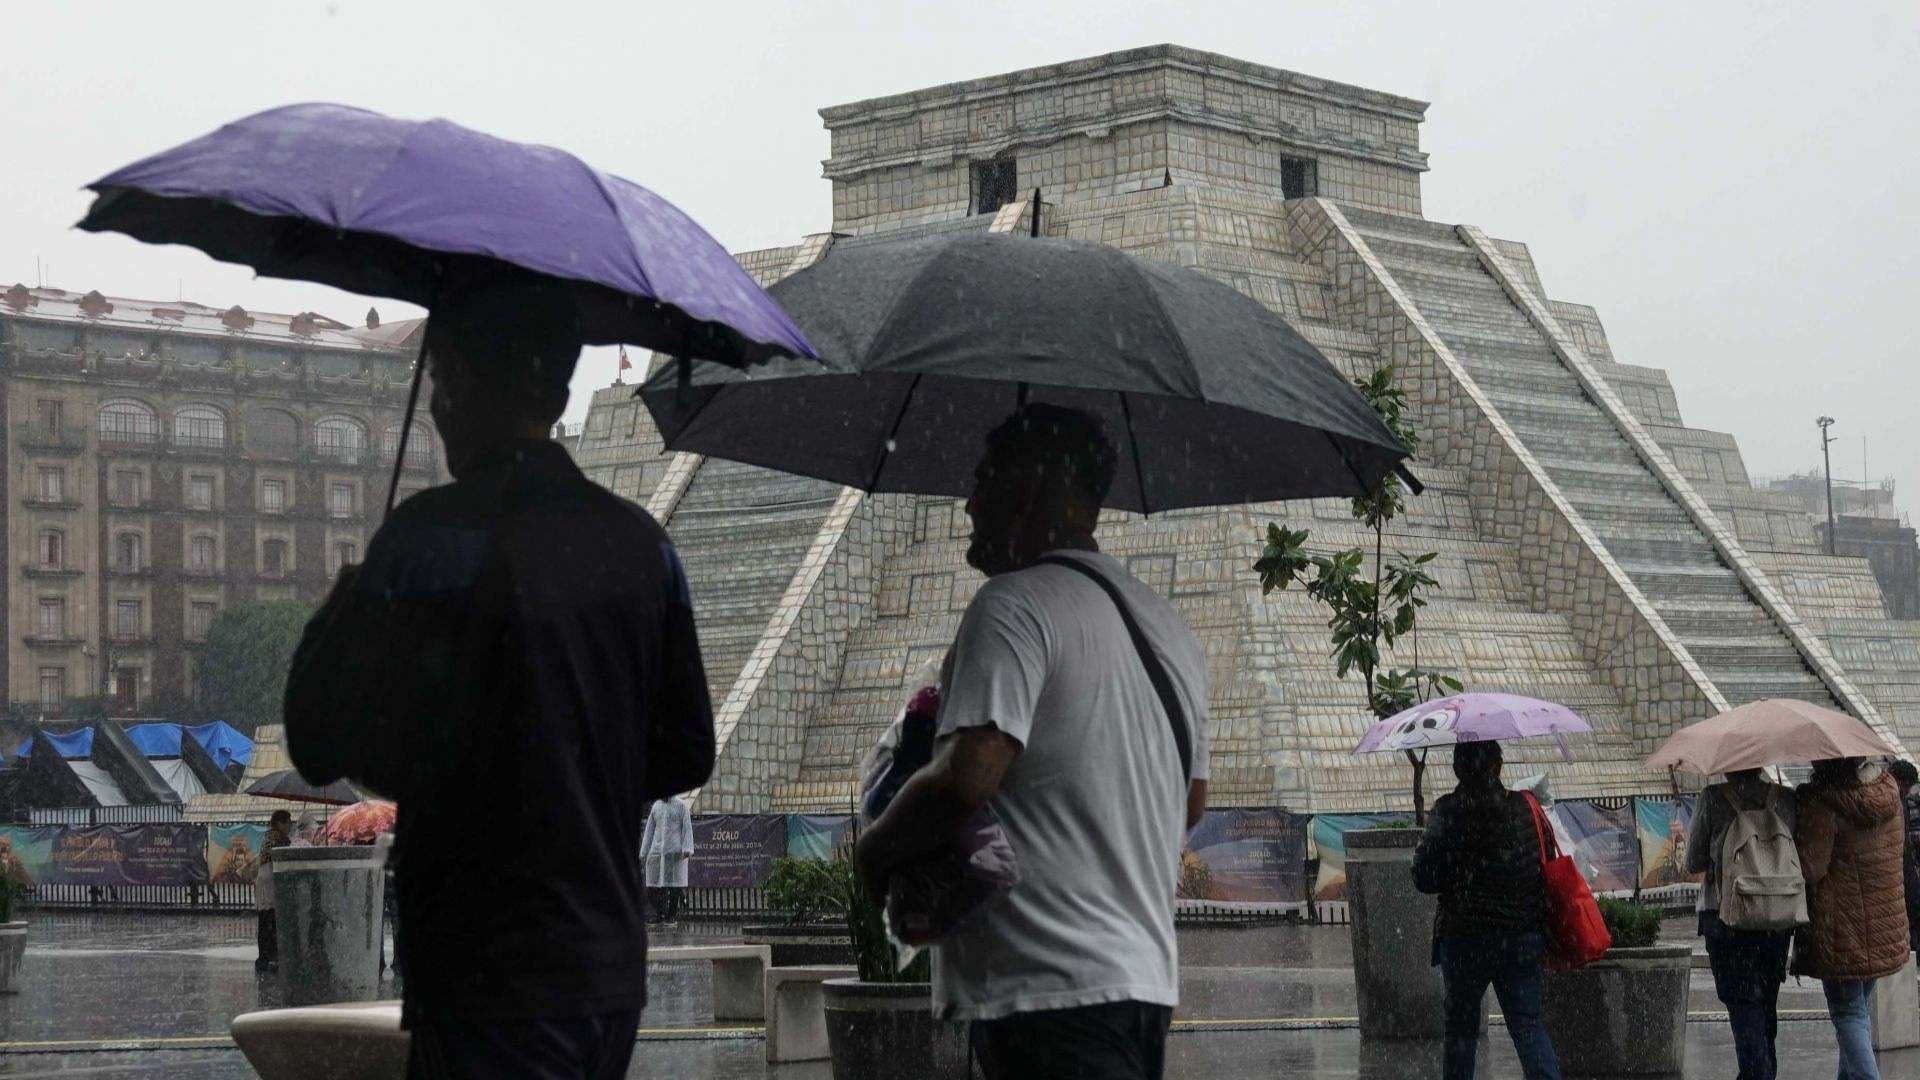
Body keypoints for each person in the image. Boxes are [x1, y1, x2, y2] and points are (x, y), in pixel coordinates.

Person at [284, 275, 715, 1080]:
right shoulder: (643, 547)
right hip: (603, 963)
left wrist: (344, 606)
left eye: (443, 377)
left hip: (481, 962)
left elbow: (315, 736)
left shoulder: (428, 540)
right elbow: (687, 752)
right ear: (553, 387)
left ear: (461, 385)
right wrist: (580, 781)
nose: (439, 402)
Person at [854, 404, 1209, 1080]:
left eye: (985, 479)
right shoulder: (1170, 631)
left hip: (1047, 995)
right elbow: (1191, 803)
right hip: (1143, 989)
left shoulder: (1012, 605)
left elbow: (970, 774)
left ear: (1033, 488)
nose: (968, 503)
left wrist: (878, 850)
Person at [1412, 740, 1561, 1080]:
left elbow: (1423, 877)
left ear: (1457, 770)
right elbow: (1547, 861)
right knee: (1527, 1025)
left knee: (1461, 1033)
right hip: (1522, 936)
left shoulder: (1449, 810)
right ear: (1498, 766)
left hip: (1465, 939)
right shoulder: (1526, 807)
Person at [1794, 756, 1910, 1080]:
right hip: (1885, 925)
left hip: (1842, 930)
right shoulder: (1889, 795)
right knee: (1856, 1013)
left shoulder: (1824, 802)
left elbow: (1812, 868)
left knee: (1848, 1014)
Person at [1684, 768, 1796, 1080]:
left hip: (1726, 919)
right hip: (1775, 916)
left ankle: (1757, 1073)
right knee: (1765, 1002)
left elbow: (1693, 861)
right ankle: (1763, 1070)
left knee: (1743, 1004)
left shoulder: (1712, 798)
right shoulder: (1784, 798)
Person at [639, 795, 693, 924]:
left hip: (675, 852)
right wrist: (644, 851)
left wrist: (687, 848)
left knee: (674, 886)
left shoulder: (681, 805)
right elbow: (649, 830)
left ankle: (671, 916)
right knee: (653, 886)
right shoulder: (656, 806)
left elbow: (687, 827)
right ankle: (660, 913)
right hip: (657, 852)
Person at [1889, 759, 1920, 956]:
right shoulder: (1890, 800)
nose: (1907, 791)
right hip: (1898, 868)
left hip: (1904, 866)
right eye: (1906, 786)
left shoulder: (1901, 801)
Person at [256, 810, 292, 975]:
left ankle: (265, 959)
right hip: (270, 883)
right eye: (288, 823)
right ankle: (269, 959)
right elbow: (283, 855)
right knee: (269, 922)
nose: (290, 826)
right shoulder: (276, 838)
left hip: (266, 882)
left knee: (266, 922)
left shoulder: (271, 836)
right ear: (279, 823)